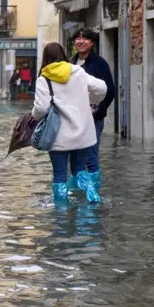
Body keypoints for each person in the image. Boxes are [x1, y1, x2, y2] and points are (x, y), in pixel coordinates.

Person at [32, 42, 107, 204]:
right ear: (63, 55)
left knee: (60, 175)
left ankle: (61, 214)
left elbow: (41, 108)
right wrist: (92, 104)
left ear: (45, 59)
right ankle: (93, 196)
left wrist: (33, 116)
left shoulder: (43, 79)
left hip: (58, 137)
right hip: (83, 134)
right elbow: (102, 88)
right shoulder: (79, 72)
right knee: (80, 170)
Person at [69, 28, 115, 191]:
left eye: (85, 39)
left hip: (94, 117)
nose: (80, 41)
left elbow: (110, 90)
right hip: (74, 118)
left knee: (90, 155)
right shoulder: (71, 62)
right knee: (74, 154)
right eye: (78, 38)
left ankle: (93, 192)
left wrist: (99, 112)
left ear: (92, 43)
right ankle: (78, 190)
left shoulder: (100, 63)